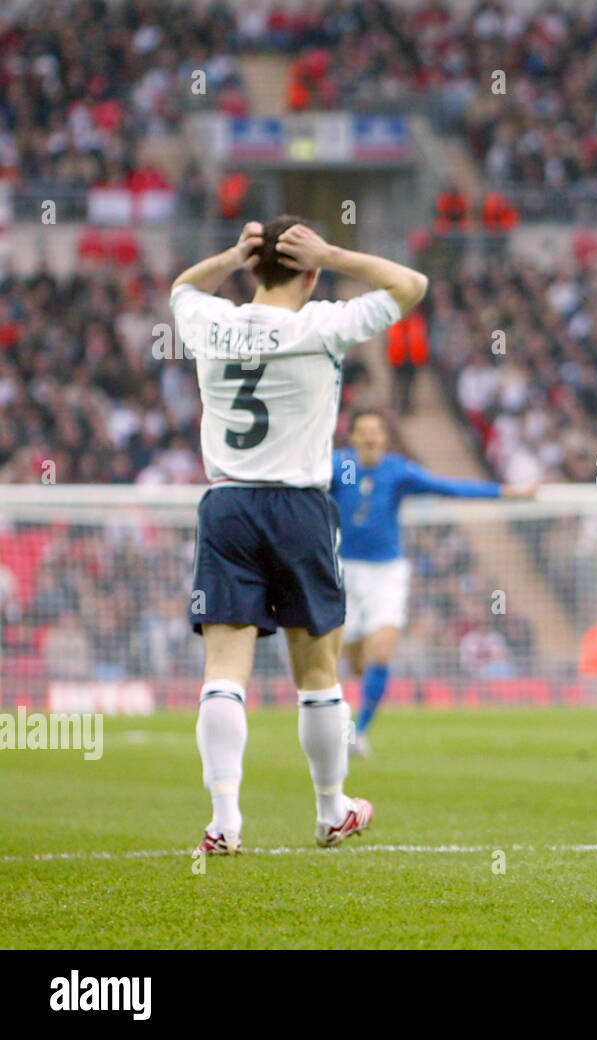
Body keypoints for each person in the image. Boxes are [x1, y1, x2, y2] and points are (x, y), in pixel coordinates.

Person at [171, 215, 427, 855]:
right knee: (317, 670)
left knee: (224, 670)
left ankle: (224, 820)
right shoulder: (322, 323)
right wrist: (336, 251)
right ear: (310, 271)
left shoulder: (208, 319)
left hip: (227, 504)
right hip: (300, 510)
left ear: (252, 266)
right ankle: (331, 810)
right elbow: (411, 285)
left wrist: (231, 254)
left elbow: (180, 286)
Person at [331, 409, 535, 756]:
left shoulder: (397, 470)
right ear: (351, 437)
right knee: (354, 659)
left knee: (380, 650)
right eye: (362, 431)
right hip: (344, 570)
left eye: (375, 432)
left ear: (385, 438)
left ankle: (359, 731)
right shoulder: (340, 467)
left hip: (387, 572)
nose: (369, 438)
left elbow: (449, 487)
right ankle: (349, 711)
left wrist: (503, 491)